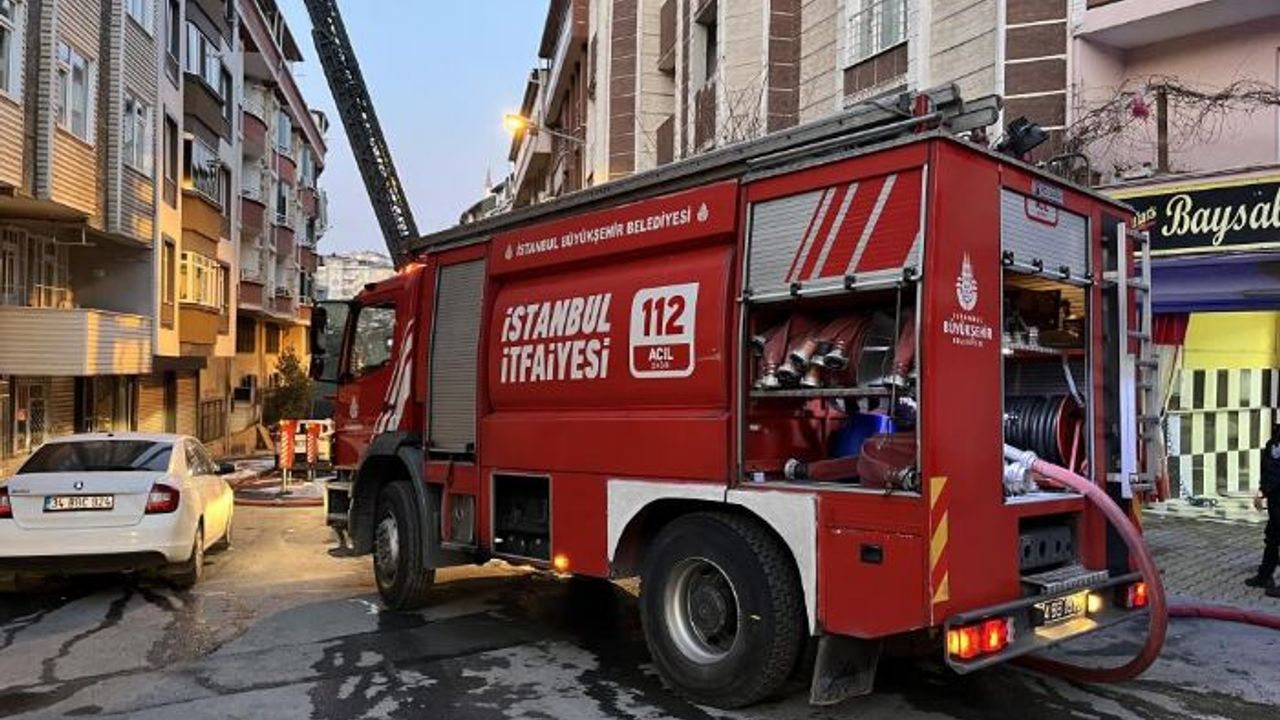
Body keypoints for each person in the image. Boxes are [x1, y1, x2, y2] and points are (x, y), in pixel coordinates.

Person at [1245, 425, 1280, 596]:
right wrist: (1262, 491)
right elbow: (1269, 468)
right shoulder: (1275, 439)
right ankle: (1265, 576)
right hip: (1275, 498)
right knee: (1272, 537)